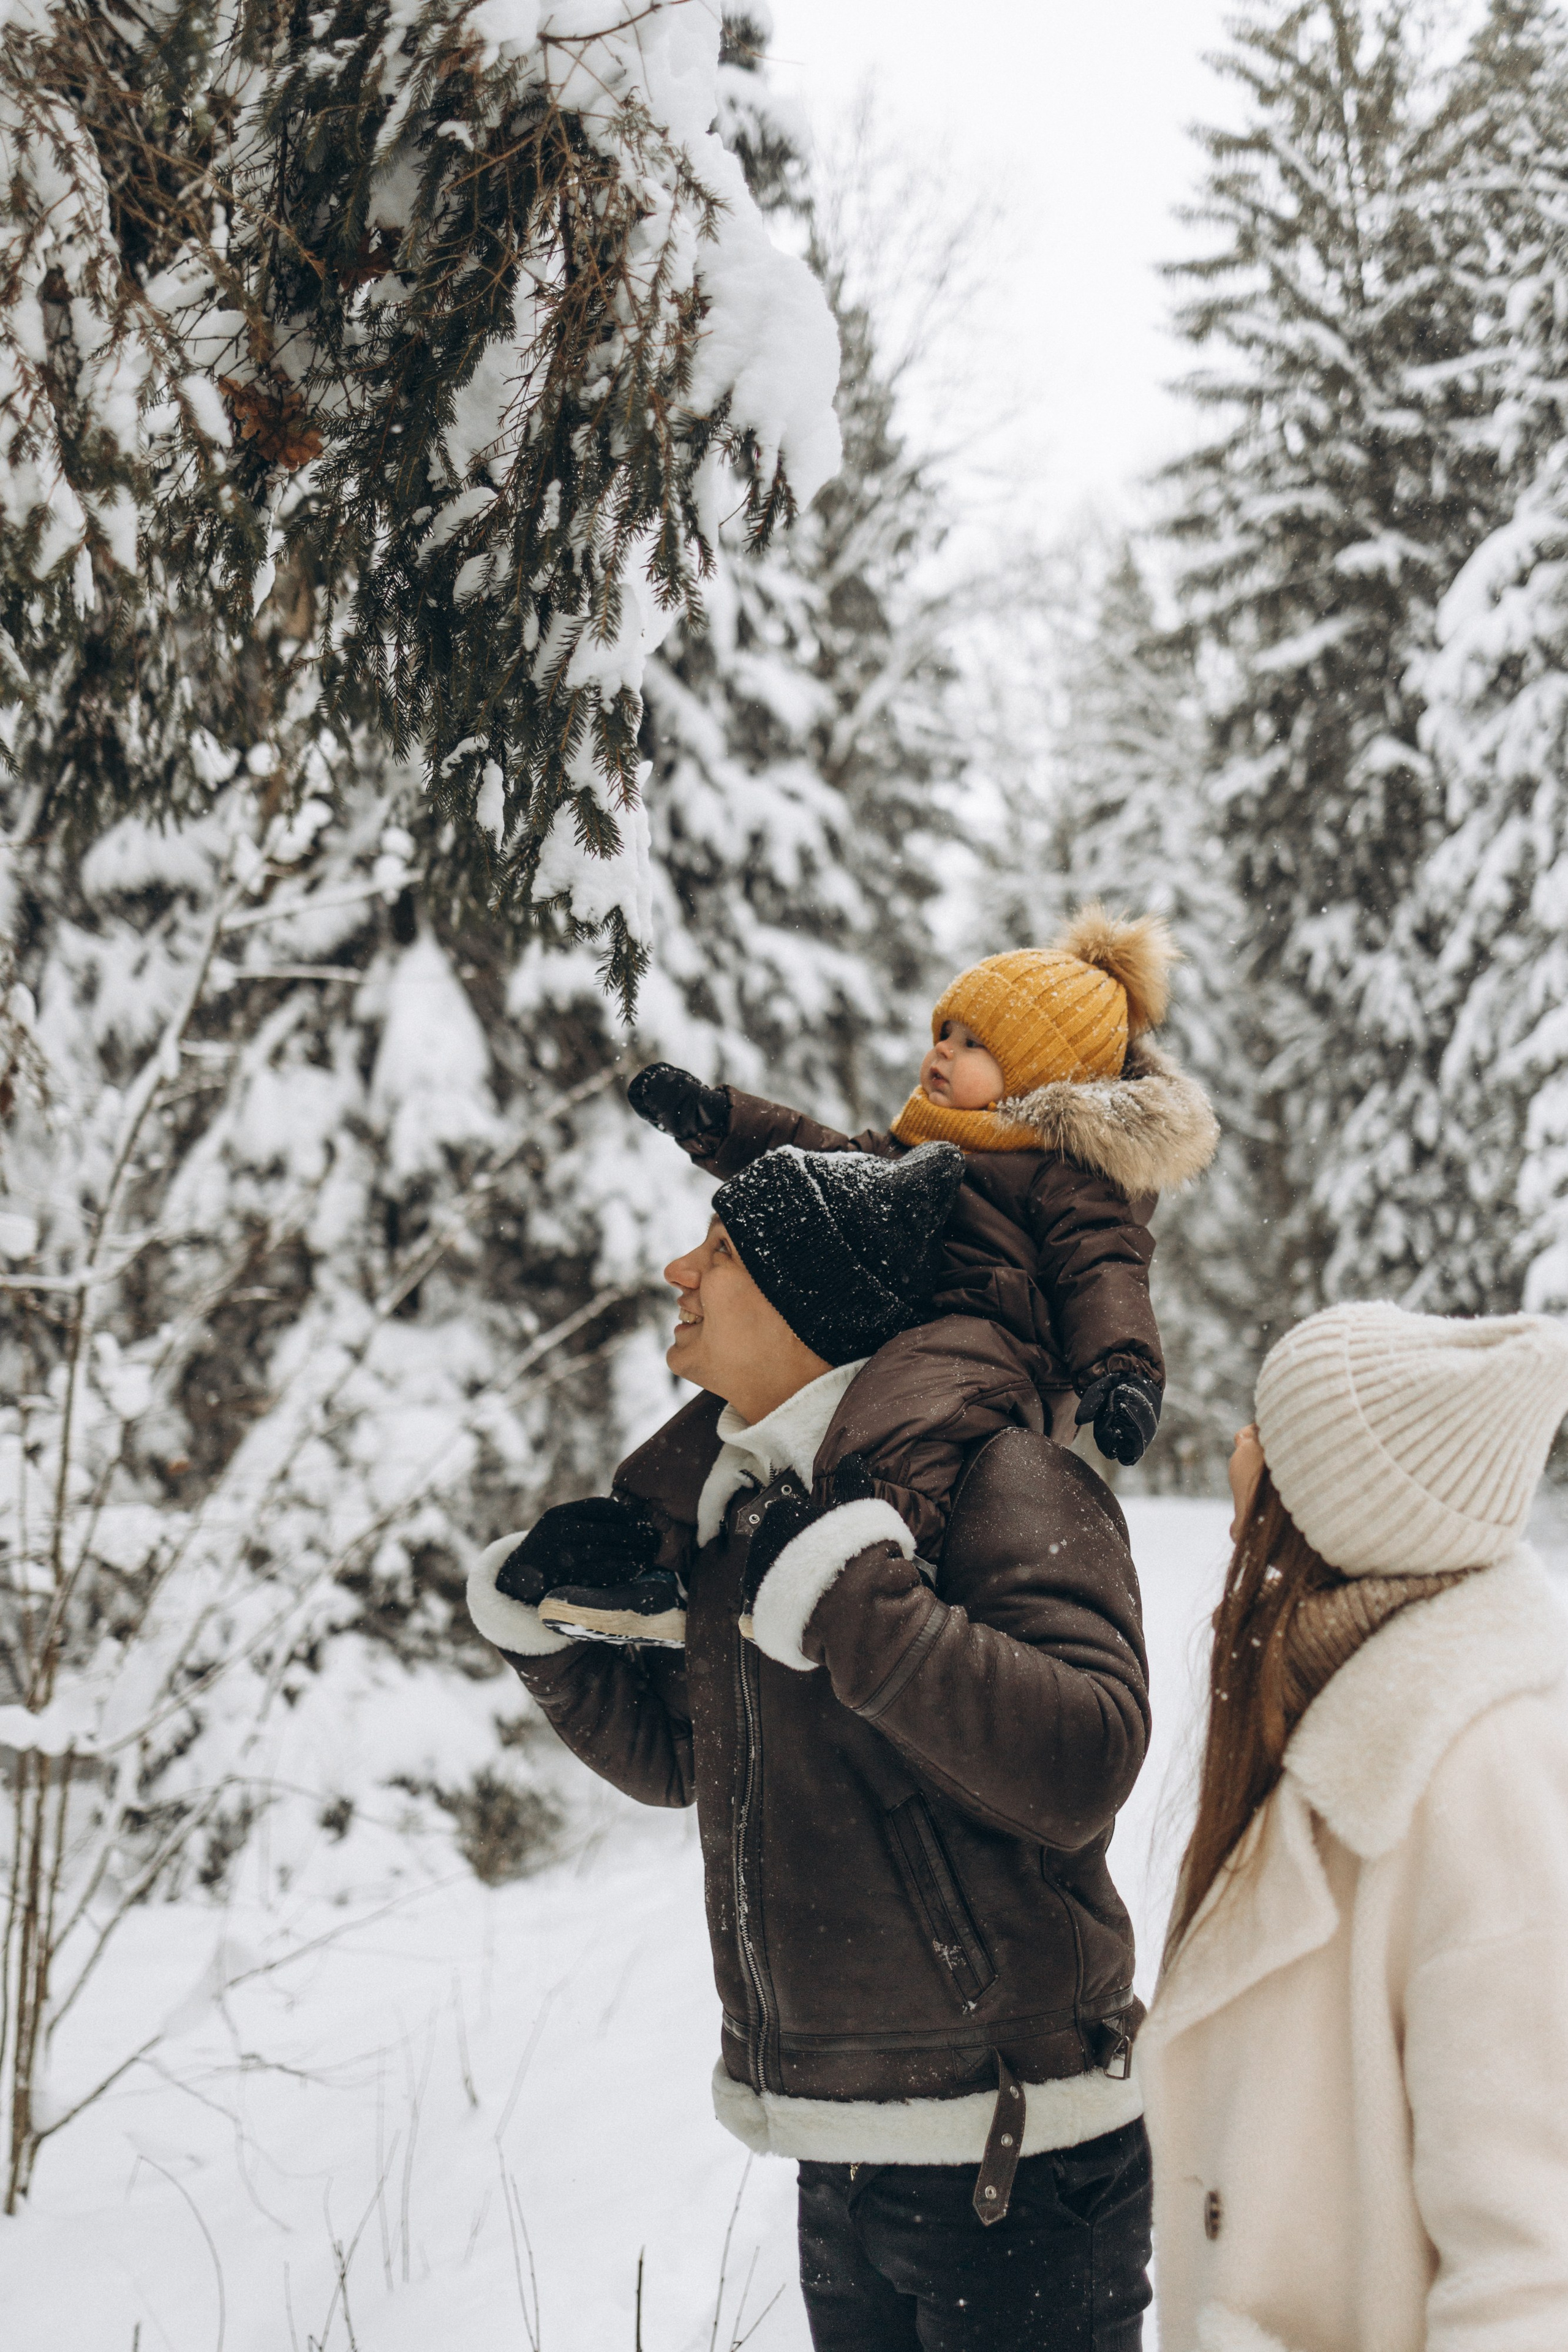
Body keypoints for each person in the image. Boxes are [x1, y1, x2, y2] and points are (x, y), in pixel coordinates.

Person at [467, 1142, 1155, 2350]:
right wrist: (546, 1636)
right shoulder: (747, 1513)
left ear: (807, 1299)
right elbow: (690, 1757)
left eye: (721, 1252)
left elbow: (1087, 1757)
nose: (680, 1268)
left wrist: (855, 1604)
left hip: (1017, 2151)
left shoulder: (1007, 1475)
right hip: (841, 2152)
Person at [1139, 1300, 1568, 2352]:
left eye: (1266, 1432)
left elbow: (1533, 2276)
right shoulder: (1352, 1716)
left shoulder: (1484, 1779)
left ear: (1331, 1509)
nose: (1240, 1448)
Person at [627, 906, 1217, 1475]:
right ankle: (647, 1525)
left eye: (973, 1044)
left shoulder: (1066, 1175)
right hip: (899, 1331)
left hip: (1000, 1354)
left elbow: (1103, 1267)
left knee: (904, 1400)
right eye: (946, 1032)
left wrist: (1122, 1370)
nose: (943, 1050)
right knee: (758, 1375)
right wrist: (719, 1124)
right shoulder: (916, 1145)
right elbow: (821, 1166)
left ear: (1041, 1073)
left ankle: (874, 1529)